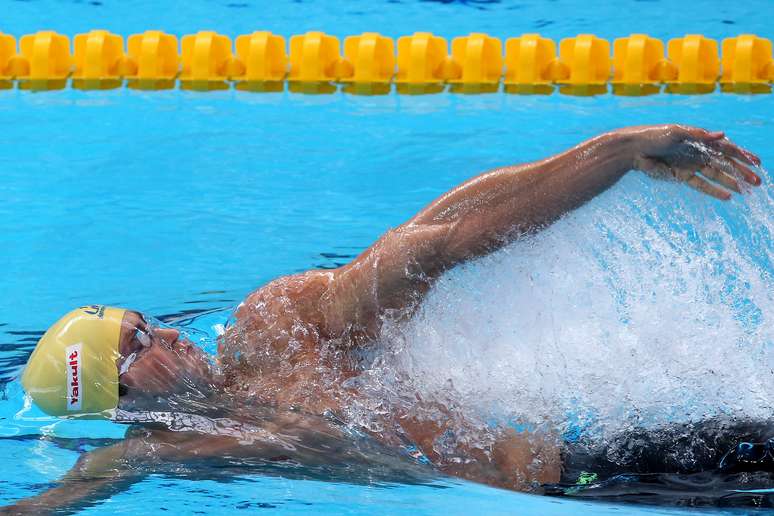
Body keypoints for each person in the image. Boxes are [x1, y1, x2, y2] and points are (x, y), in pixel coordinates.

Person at [6, 125, 763, 513]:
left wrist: (614, 152)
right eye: (137, 344)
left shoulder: (279, 331)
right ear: (116, 398)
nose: (166, 330)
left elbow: (429, 242)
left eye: (148, 320)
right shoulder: (156, 456)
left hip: (613, 469)